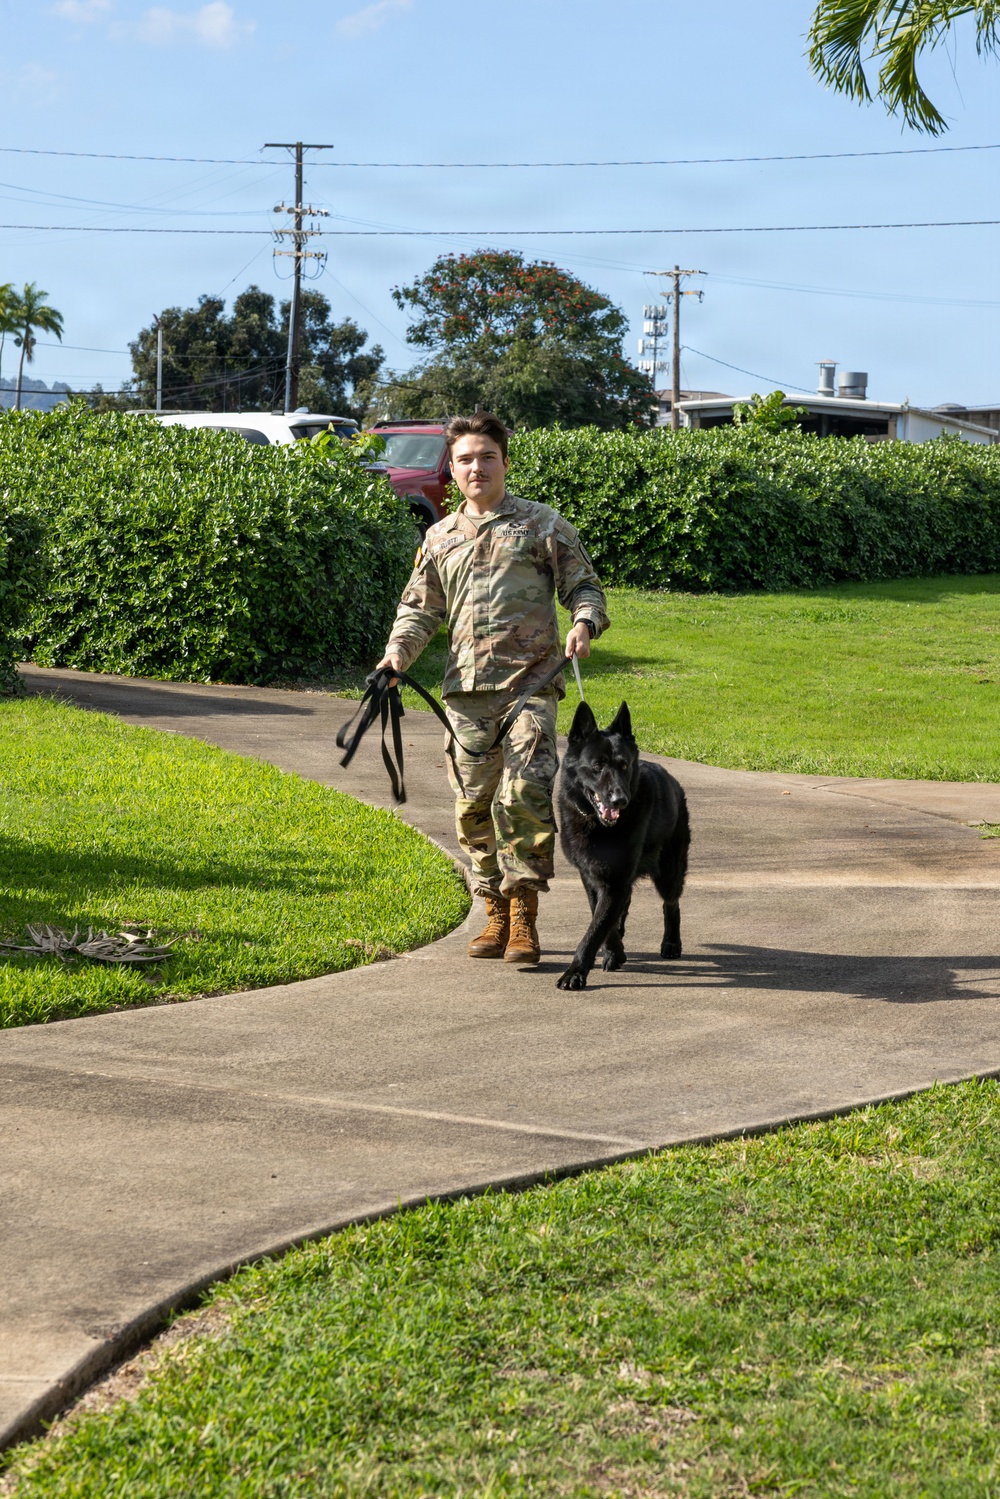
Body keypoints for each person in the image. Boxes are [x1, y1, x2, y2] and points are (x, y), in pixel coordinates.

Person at [376, 411, 609, 966]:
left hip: (531, 686)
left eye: (486, 456)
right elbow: (418, 610)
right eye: (464, 460)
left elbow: (585, 588)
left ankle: (523, 913)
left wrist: (583, 624)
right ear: (452, 469)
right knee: (472, 807)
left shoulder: (543, 525)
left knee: (524, 795)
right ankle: (493, 913)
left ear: (504, 461)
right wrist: (395, 656)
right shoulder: (438, 537)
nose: (475, 467)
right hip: (466, 694)